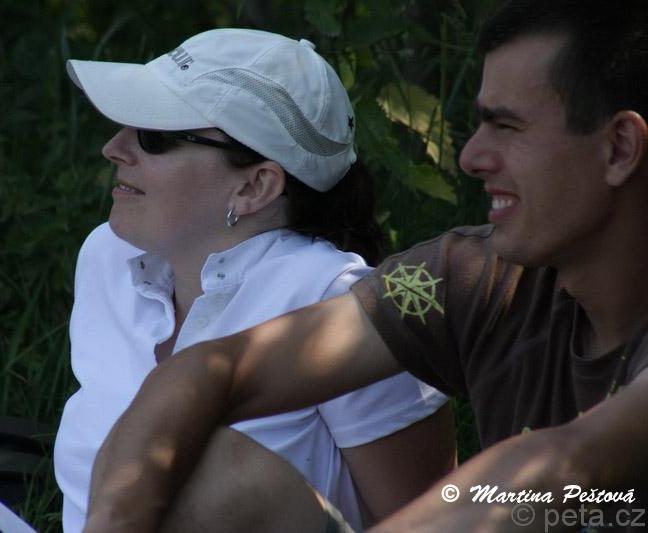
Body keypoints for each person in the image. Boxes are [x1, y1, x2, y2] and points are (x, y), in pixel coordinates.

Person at [82, 1, 648, 532]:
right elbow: (211, 369)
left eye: (509, 127)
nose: (470, 157)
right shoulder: (474, 276)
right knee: (193, 464)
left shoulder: (341, 279)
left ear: (620, 148)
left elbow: (561, 467)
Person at [55, 28, 455, 532]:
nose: (114, 148)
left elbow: (432, 520)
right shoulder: (108, 258)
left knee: (203, 466)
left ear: (254, 185)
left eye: (154, 137)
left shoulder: (336, 302)